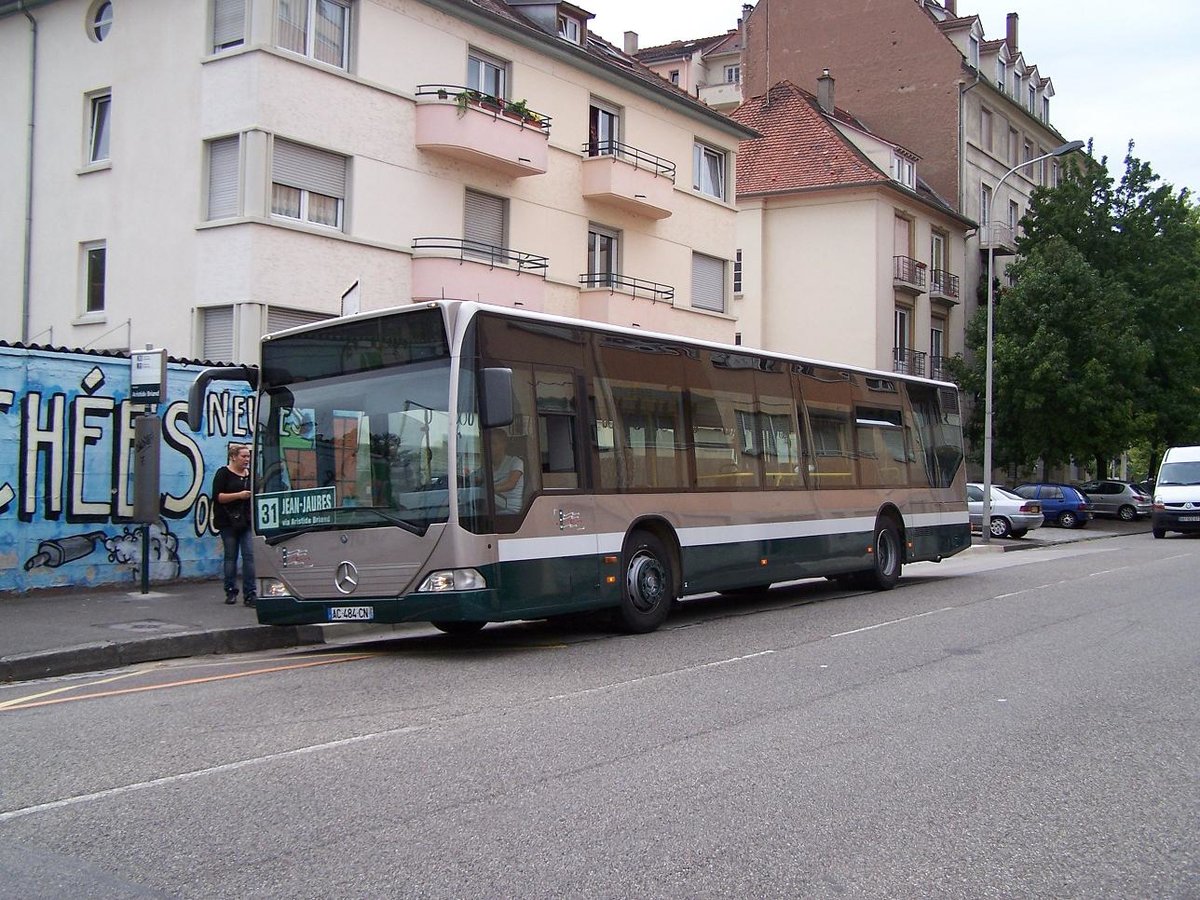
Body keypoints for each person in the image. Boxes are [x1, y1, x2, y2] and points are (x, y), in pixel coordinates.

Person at [212, 443, 256, 606]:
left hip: (246, 521)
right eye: (243, 456)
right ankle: (230, 591)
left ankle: (250, 593)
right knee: (231, 557)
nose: (247, 459)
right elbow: (218, 497)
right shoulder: (223, 473)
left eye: (248, 456)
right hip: (228, 522)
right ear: (233, 457)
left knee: (249, 556)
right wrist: (239, 495)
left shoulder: (249, 475)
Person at [486, 428, 525, 513]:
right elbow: (476, 478)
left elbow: (510, 484)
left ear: (504, 444)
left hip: (510, 509)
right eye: (489, 444)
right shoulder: (488, 466)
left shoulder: (516, 462)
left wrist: (489, 490)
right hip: (494, 505)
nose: (490, 447)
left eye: (494, 443)